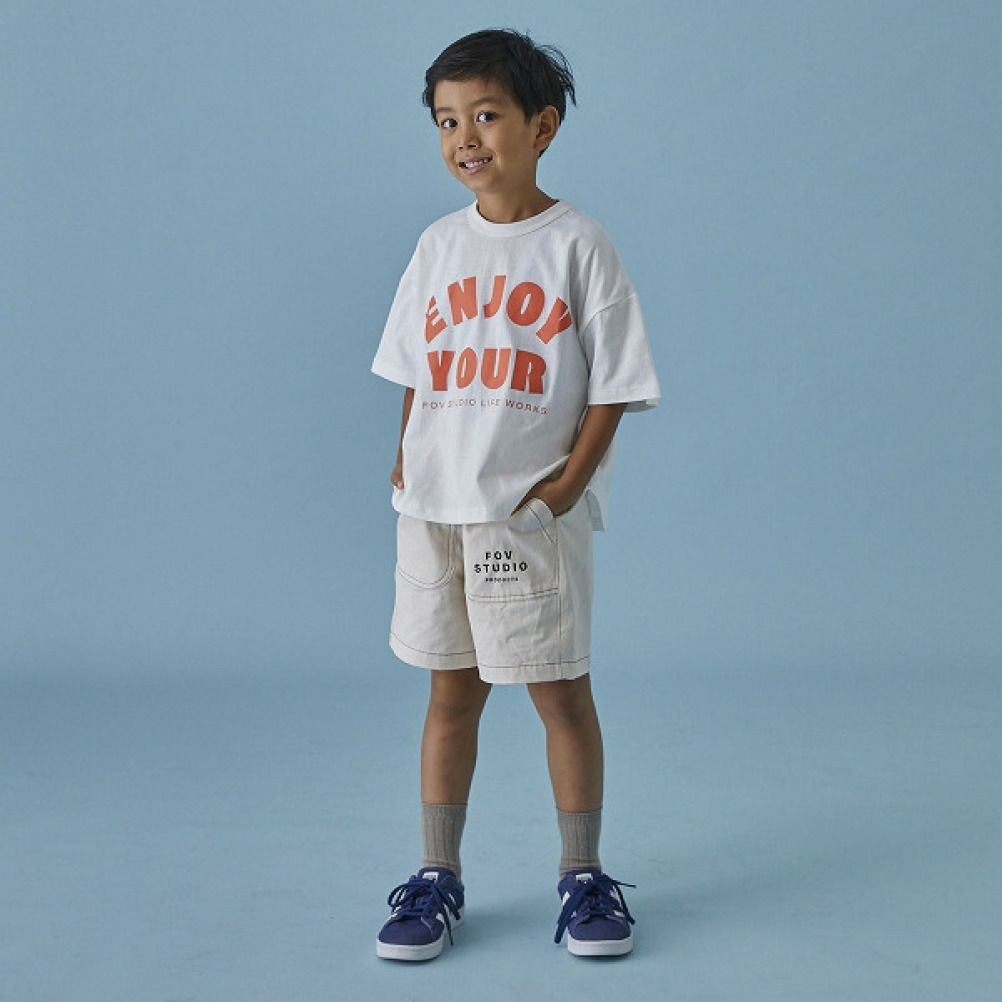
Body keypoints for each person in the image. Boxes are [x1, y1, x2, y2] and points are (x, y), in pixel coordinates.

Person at [370, 27, 660, 961]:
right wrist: (407, 451)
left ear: (542, 126)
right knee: (449, 695)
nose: (466, 138)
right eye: (447, 120)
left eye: (487, 115)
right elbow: (416, 363)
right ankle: (437, 875)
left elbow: (616, 383)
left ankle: (583, 875)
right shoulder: (437, 245)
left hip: (527, 515)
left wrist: (568, 485)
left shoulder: (577, 245)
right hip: (435, 511)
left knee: (559, 692)